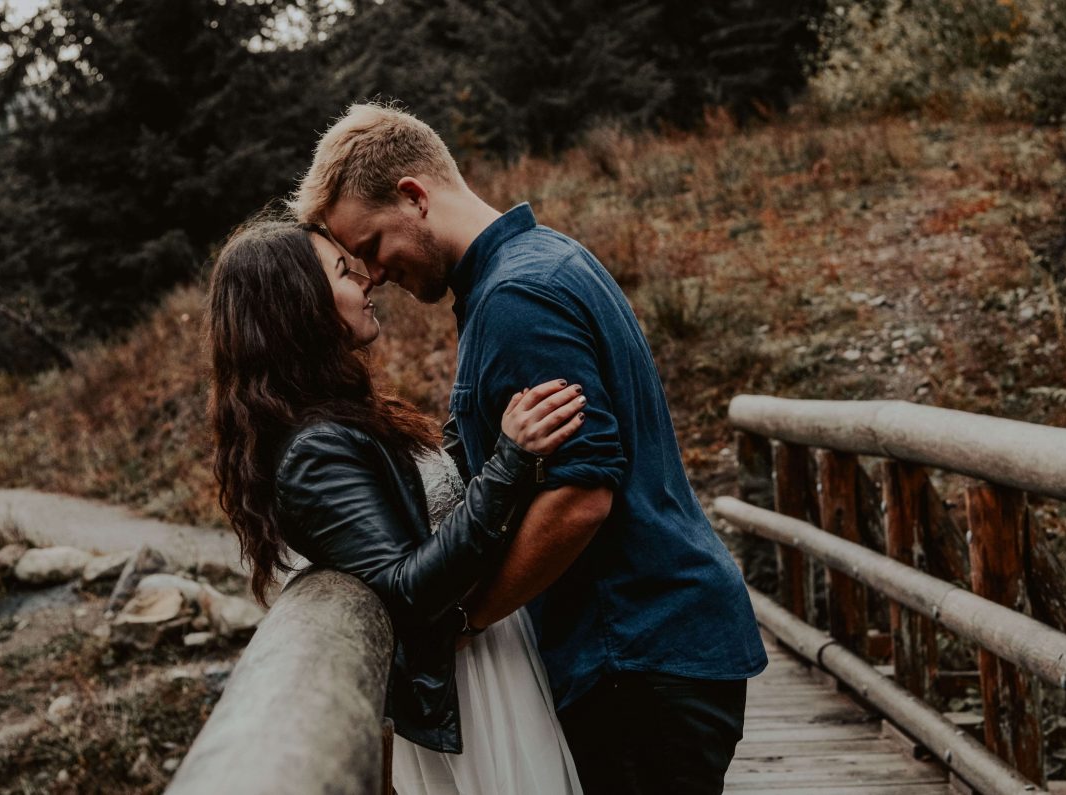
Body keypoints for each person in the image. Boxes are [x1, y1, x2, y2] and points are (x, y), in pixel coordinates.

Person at [290, 102, 770, 795]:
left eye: (369, 245)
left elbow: (580, 496)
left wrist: (466, 617)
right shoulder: (539, 261)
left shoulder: (517, 298)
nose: (374, 273)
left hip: (634, 653)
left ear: (414, 197)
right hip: (650, 647)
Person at [206, 217, 585, 794]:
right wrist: (510, 463)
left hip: (489, 659)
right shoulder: (313, 451)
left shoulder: (342, 418)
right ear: (298, 306)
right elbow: (407, 588)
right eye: (343, 271)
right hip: (467, 688)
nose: (367, 282)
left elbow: (422, 498)